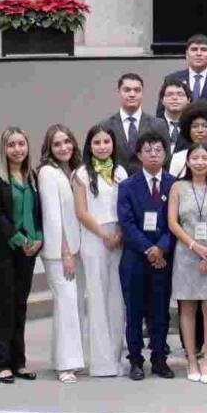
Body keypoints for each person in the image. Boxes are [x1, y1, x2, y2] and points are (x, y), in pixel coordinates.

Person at [0, 127, 43, 383]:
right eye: (11, 145)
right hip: (3, 250)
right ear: (4, 149)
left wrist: (38, 237)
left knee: (20, 305)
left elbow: (39, 212)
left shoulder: (33, 176)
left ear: (27, 146)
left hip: (28, 251)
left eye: (21, 144)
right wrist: (19, 239)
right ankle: (3, 363)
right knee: (5, 306)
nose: (17, 149)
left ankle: (19, 362)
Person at [168, 143, 207, 383]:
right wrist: (195, 246)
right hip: (186, 253)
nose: (200, 162)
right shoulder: (178, 187)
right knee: (187, 306)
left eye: (205, 158)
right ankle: (192, 360)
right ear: (188, 161)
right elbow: (173, 223)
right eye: (195, 158)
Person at [117, 131, 176, 380]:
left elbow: (176, 222)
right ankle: (135, 360)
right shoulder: (127, 186)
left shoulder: (174, 184)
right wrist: (149, 249)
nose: (153, 154)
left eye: (158, 150)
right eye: (148, 150)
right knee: (134, 312)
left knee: (160, 311)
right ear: (139, 155)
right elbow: (126, 224)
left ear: (165, 154)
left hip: (164, 258)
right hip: (135, 259)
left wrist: (161, 248)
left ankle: (159, 359)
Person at [72, 124, 128, 377]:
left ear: (113, 144)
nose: (103, 146)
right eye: (97, 142)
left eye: (107, 141)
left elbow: (126, 207)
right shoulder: (81, 174)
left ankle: (116, 356)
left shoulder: (120, 171)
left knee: (116, 298)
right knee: (97, 297)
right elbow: (81, 212)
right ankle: (101, 362)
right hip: (95, 237)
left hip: (119, 236)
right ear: (89, 146)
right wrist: (104, 234)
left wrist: (120, 233)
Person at [38, 125, 86, 383]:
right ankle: (65, 365)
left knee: (73, 305)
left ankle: (68, 359)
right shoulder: (47, 173)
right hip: (59, 253)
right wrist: (65, 252)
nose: (63, 147)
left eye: (67, 141)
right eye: (57, 144)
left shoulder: (72, 171)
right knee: (66, 304)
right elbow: (53, 217)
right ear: (49, 148)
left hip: (75, 249)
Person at [103, 73, 169, 175]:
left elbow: (166, 159)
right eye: (127, 90)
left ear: (142, 93)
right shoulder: (105, 126)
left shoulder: (158, 125)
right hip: (116, 181)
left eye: (137, 90)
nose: (132, 94)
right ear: (119, 92)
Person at [161, 33, 207, 113]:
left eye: (203, 50)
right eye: (194, 49)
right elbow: (161, 113)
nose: (198, 54)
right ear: (187, 55)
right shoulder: (172, 79)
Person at [168, 100, 207, 178]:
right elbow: (172, 183)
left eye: (205, 126)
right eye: (195, 126)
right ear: (188, 130)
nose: (200, 130)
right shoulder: (178, 157)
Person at [158, 79, 192, 155]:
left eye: (180, 94)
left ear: (188, 100)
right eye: (169, 94)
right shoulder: (152, 126)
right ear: (162, 100)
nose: (175, 98)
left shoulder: (194, 127)